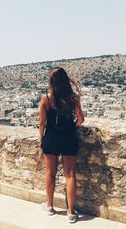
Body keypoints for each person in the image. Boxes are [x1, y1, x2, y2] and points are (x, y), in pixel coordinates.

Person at [38, 67, 85, 223]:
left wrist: (41, 139)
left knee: (50, 173)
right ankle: (71, 212)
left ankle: (50, 206)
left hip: (51, 138)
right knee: (70, 175)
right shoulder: (73, 98)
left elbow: (42, 123)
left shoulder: (46, 98)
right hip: (68, 137)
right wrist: (72, 127)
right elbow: (80, 119)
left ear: (51, 82)